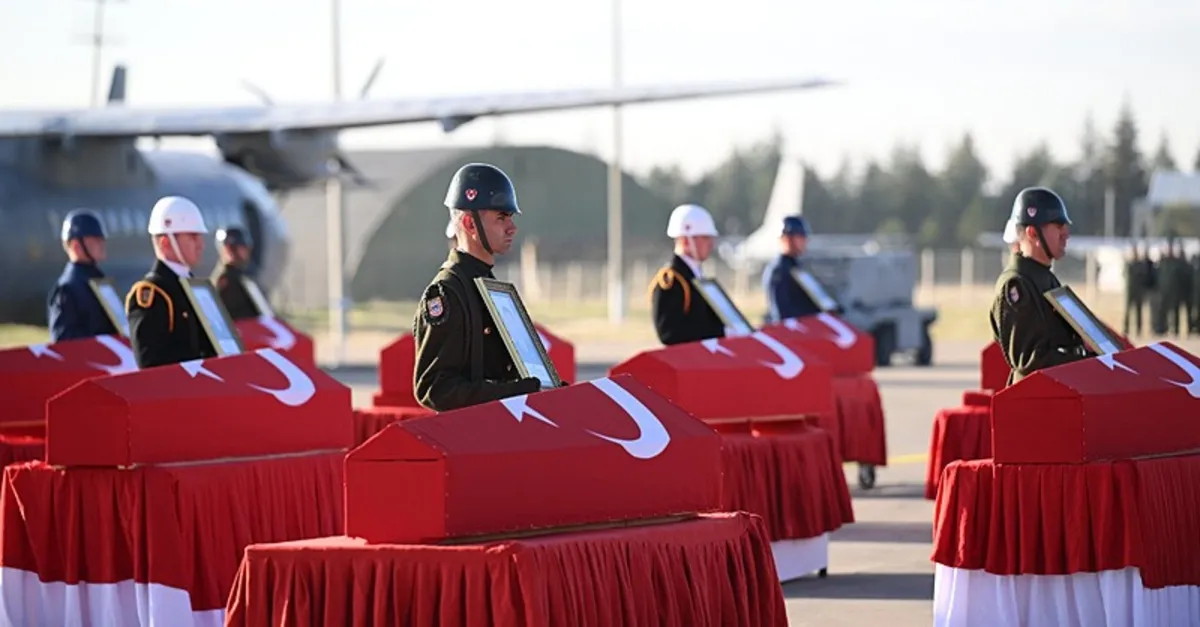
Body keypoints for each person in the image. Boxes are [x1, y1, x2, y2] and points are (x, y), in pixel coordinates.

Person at [412, 163, 542, 412]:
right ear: (470, 225)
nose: (511, 228)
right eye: (501, 218)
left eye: (510, 217)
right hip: (470, 441)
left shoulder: (488, 285)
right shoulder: (447, 292)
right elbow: (435, 388)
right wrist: (517, 392)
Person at [990, 186, 1091, 385]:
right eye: (1058, 226)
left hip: (1059, 394)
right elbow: (1030, 361)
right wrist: (1089, 364)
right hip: (1037, 403)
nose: (1066, 235)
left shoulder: (1044, 278)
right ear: (1033, 233)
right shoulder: (1016, 285)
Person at [125, 196, 218, 369]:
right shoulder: (152, 294)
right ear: (166, 242)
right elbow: (151, 368)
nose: (201, 245)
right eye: (193, 237)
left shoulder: (194, 286)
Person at [648, 203, 726, 345]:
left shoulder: (697, 275)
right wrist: (718, 333)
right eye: (705, 238)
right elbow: (668, 333)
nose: (711, 244)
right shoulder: (671, 280)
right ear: (685, 240)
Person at [47, 209, 119, 342]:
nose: (102, 244)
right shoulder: (67, 290)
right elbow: (63, 343)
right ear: (76, 246)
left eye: (102, 239)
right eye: (96, 240)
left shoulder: (98, 280)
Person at [762, 215, 824, 324]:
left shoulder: (795, 266)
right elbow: (781, 313)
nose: (805, 241)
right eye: (800, 237)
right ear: (787, 239)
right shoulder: (779, 270)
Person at [210, 226, 260, 320]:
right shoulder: (225, 279)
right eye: (242, 247)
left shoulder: (242, 275)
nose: (246, 252)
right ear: (229, 249)